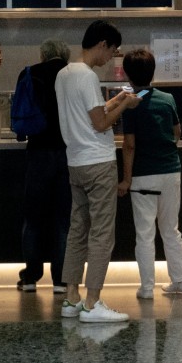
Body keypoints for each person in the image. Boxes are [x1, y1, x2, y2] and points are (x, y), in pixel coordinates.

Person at [56, 20, 142, 323]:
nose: (112, 58)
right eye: (113, 51)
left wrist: (116, 100)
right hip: (99, 162)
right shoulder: (88, 76)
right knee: (102, 233)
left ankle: (71, 299)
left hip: (75, 163)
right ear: (102, 44)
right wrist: (127, 105)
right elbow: (100, 125)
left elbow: (89, 114)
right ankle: (92, 302)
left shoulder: (63, 74)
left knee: (77, 231)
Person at [117, 48, 182, 299]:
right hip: (171, 170)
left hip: (144, 175)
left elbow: (129, 145)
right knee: (171, 229)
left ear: (128, 74)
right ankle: (181, 281)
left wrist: (126, 179)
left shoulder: (130, 103)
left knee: (145, 233)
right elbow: (177, 132)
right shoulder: (167, 99)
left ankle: (147, 288)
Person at [16, 38, 72, 294]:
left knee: (33, 217)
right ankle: (60, 279)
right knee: (63, 219)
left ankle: (30, 277)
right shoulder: (73, 75)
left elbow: (19, 113)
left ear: (43, 55)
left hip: (37, 151)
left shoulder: (29, 73)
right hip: (66, 152)